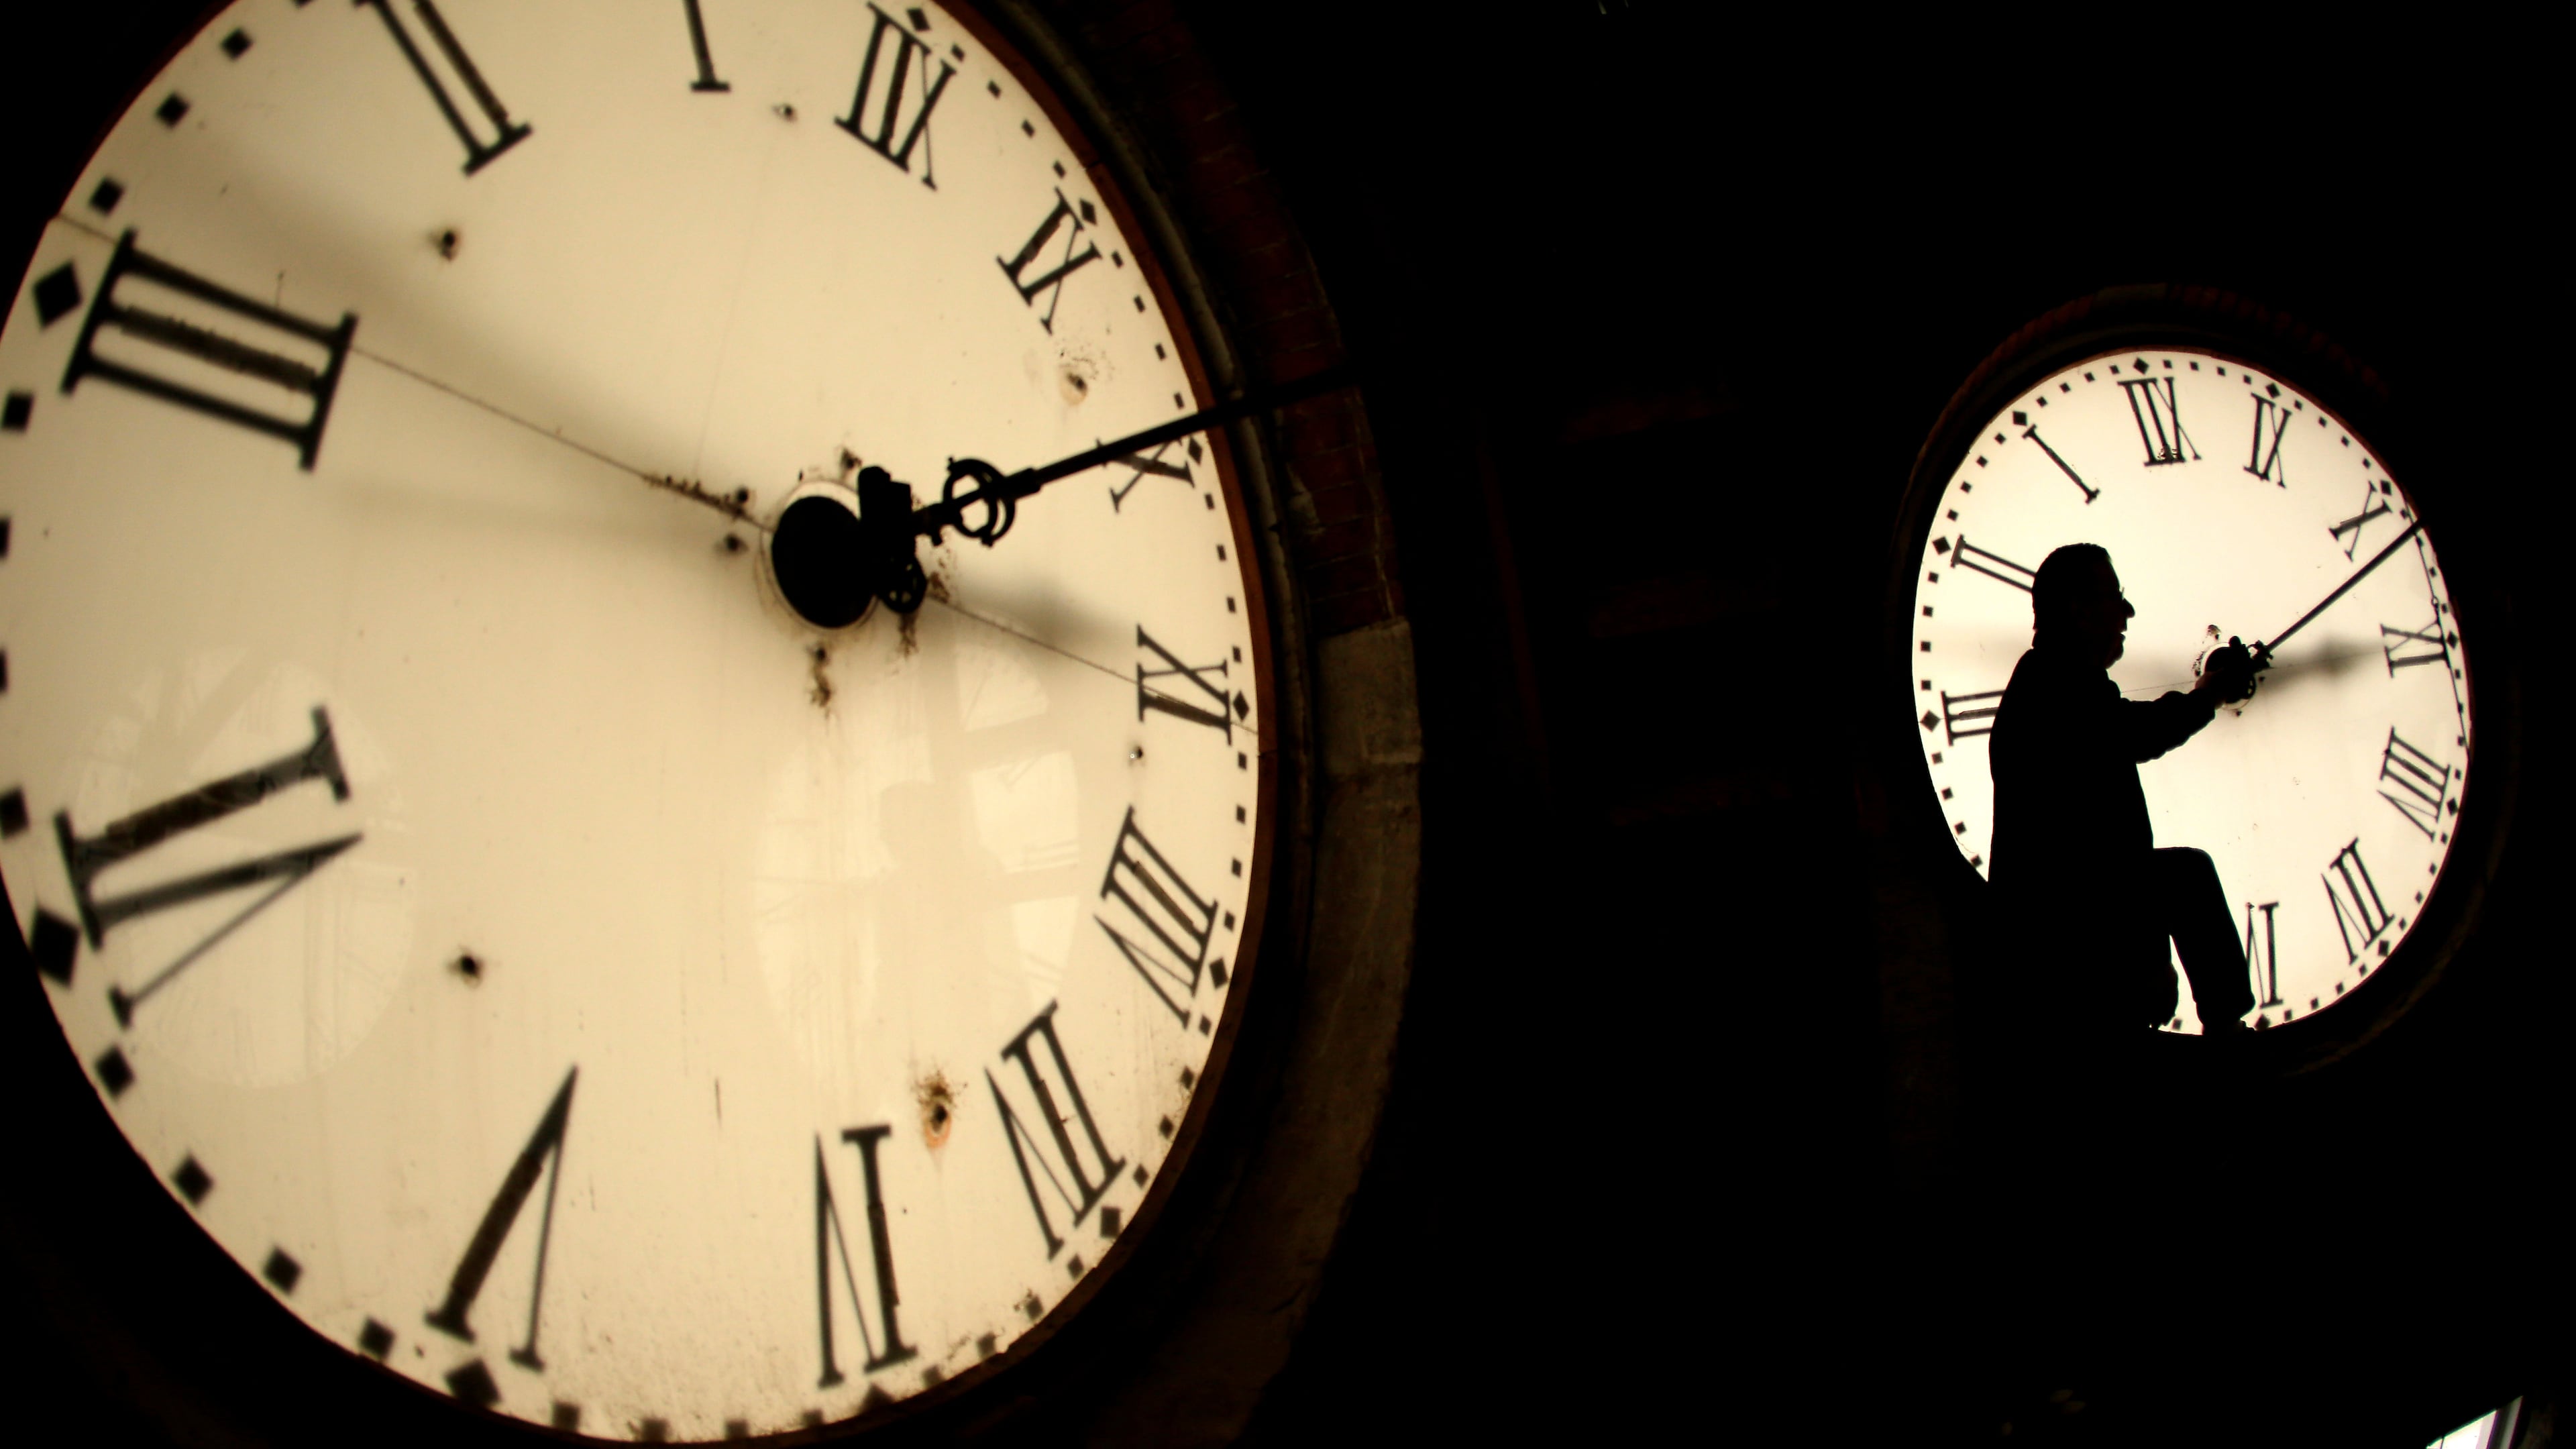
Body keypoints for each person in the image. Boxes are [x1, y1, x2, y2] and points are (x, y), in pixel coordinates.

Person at [1986, 543, 2259, 1040]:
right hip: (2071, 948)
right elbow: (2138, 734)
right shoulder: (2059, 686)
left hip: (2056, 950)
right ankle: (2227, 1028)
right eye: (2114, 596)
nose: (2126, 612)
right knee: (2188, 875)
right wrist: (2209, 695)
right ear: (2079, 610)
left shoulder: (2046, 684)